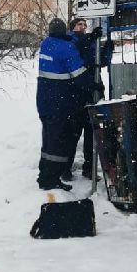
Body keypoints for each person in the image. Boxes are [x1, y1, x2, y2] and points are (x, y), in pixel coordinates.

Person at [36, 17, 89, 191]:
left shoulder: (46, 43)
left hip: (44, 100)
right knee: (58, 144)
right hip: (59, 102)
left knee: (48, 140)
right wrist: (93, 85)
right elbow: (79, 76)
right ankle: (51, 179)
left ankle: (44, 175)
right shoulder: (67, 47)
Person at [68, 16, 110, 179]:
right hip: (76, 94)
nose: (83, 27)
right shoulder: (70, 40)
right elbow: (78, 55)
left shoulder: (90, 41)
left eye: (85, 25)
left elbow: (101, 61)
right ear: (72, 27)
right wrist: (90, 38)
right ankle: (66, 167)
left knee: (91, 132)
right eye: (80, 24)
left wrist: (107, 48)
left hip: (93, 91)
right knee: (74, 133)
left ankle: (89, 168)